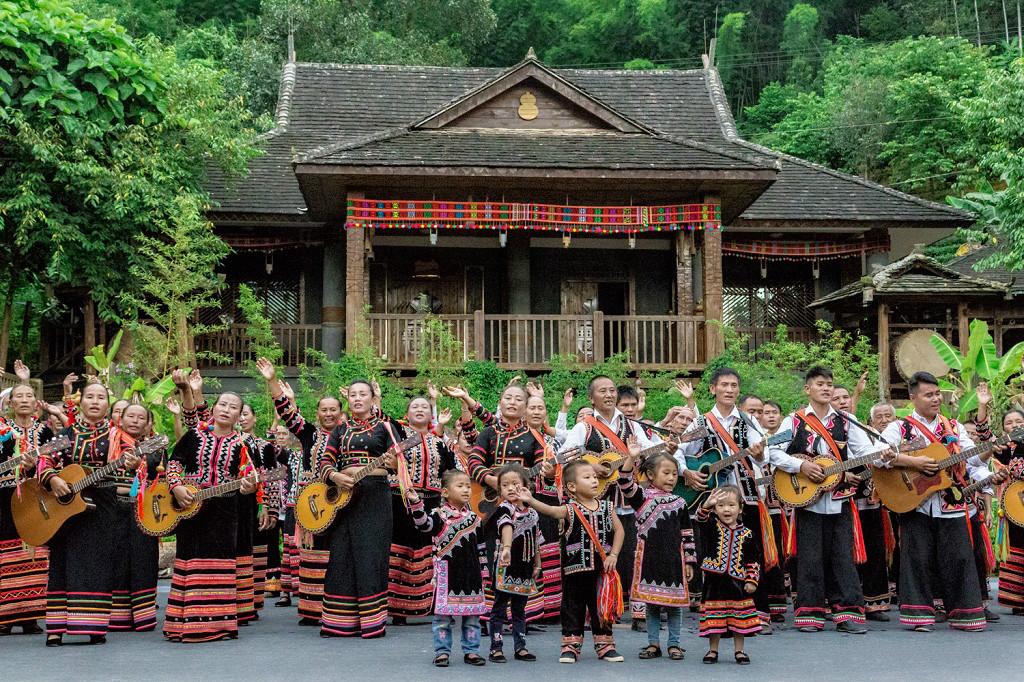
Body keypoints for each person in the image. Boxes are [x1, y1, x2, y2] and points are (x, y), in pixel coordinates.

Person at [766, 366, 893, 634]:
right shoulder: (793, 421)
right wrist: (800, 467)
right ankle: (810, 614)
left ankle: (846, 614)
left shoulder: (847, 421)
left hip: (840, 499)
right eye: (820, 384)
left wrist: (885, 454)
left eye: (829, 384)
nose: (826, 388)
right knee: (810, 557)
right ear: (807, 389)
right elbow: (772, 451)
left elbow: (865, 450)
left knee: (842, 557)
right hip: (807, 499)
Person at [880, 371, 989, 632]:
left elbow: (974, 459)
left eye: (937, 393)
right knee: (916, 558)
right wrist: (913, 462)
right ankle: (919, 617)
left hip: (951, 502)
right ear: (913, 397)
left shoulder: (953, 426)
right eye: (929, 394)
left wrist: (988, 444)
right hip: (915, 501)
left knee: (960, 557)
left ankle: (964, 614)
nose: (935, 398)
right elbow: (878, 456)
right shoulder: (899, 427)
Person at [675, 368, 776, 631]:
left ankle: (755, 613)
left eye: (734, 385)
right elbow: (679, 451)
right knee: (715, 554)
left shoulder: (747, 421)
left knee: (751, 552)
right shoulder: (702, 423)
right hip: (713, 497)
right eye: (724, 385)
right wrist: (686, 472)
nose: (729, 390)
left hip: (745, 495)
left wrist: (759, 452)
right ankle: (717, 615)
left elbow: (761, 456)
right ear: (712, 389)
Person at [560, 377, 660, 632]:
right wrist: (591, 466)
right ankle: (594, 611)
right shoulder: (585, 426)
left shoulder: (631, 425)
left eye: (612, 390)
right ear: (592, 398)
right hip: (595, 504)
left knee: (631, 554)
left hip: (626, 499)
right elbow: (567, 456)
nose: (608, 394)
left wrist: (663, 448)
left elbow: (649, 450)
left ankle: (632, 611)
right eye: (602, 391)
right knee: (595, 557)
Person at [164, 389, 256, 643]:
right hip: (191, 506)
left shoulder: (244, 443)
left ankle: (219, 625)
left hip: (225, 510)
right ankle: (185, 623)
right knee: (190, 559)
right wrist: (176, 486)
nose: (226, 409)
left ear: (239, 415)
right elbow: (174, 462)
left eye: (233, 407)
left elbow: (250, 477)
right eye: (222, 404)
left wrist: (250, 485)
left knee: (222, 563)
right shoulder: (194, 435)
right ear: (213, 408)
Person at [256, 357, 341, 618]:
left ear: (340, 412)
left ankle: (337, 607)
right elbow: (287, 413)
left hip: (339, 501)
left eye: (333, 409)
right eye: (323, 410)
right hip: (310, 504)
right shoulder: (310, 434)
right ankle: (313, 609)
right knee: (311, 551)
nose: (328, 413)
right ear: (317, 414)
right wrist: (272, 381)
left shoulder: (348, 434)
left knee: (336, 552)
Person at [39, 381, 122, 646]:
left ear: (107, 404)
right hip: (66, 508)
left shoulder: (116, 435)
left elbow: (137, 461)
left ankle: (94, 625)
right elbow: (44, 460)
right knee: (62, 561)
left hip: (103, 504)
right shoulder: (66, 434)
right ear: (81, 402)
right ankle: (56, 627)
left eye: (101, 397)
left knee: (97, 562)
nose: (95, 402)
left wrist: (133, 460)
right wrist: (52, 479)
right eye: (90, 397)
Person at [517, 461, 625, 664]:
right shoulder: (569, 509)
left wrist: (614, 555)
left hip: (602, 569)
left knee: (601, 608)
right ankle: (570, 646)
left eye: (594, 476)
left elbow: (619, 530)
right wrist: (530, 500)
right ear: (572, 487)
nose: (594, 480)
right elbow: (550, 510)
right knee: (572, 606)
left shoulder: (607, 507)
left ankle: (605, 645)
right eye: (587, 477)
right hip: (574, 570)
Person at [318, 379, 403, 639]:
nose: (357, 399)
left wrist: (391, 463)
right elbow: (325, 460)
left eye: (362, 394)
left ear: (371, 398)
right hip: (344, 498)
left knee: (370, 555)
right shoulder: (340, 430)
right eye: (353, 394)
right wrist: (333, 476)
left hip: (375, 496)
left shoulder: (385, 427)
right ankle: (339, 622)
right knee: (342, 554)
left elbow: (402, 459)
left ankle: (371, 622)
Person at [618, 452, 696, 661]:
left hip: (674, 560)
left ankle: (674, 644)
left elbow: (687, 533)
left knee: (674, 606)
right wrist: (630, 457)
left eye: (674, 474)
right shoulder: (641, 498)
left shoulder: (680, 502)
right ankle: (653, 643)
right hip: (649, 560)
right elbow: (624, 482)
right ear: (651, 475)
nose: (672, 478)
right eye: (667, 473)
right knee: (651, 604)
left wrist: (689, 561)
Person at [406, 471, 488, 668]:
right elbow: (424, 525)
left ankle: (472, 651)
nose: (466, 489)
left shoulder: (475, 519)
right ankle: (442, 652)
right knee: (442, 620)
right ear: (445, 491)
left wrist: (484, 573)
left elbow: (482, 549)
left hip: (471, 576)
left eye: (468, 486)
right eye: (460, 486)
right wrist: (416, 503)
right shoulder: (439, 515)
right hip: (447, 576)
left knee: (472, 619)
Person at [388, 396, 458, 622]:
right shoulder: (397, 434)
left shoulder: (439, 442)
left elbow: (450, 472)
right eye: (415, 407)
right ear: (406, 414)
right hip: (401, 500)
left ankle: (431, 604)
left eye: (425, 407)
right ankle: (398, 609)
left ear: (431, 415)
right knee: (401, 550)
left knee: (431, 551)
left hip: (432, 502)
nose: (420, 410)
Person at [0, 379, 54, 635]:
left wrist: (37, 466)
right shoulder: (1, 428)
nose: (23, 399)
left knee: (34, 548)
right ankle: (4, 616)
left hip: (35, 496)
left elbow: (55, 459)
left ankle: (30, 615)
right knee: (6, 552)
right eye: (18, 396)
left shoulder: (45, 432)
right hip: (4, 497)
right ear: (9, 403)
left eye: (28, 396)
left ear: (36, 403)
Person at [109, 404, 161, 632]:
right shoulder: (107, 440)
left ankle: (143, 616)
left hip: (143, 510)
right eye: (130, 415)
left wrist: (140, 464)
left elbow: (161, 472)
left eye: (141, 417)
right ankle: (117, 616)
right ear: (120, 418)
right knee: (116, 558)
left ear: (148, 423)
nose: (135, 421)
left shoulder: (156, 446)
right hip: (113, 508)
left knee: (144, 559)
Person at [696, 486, 761, 665]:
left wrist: (751, 580)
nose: (726, 509)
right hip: (714, 582)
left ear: (740, 508)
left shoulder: (748, 534)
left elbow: (754, 558)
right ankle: (713, 650)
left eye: (731, 505)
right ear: (715, 510)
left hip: (738, 582)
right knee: (714, 617)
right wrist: (706, 505)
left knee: (739, 617)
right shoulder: (711, 527)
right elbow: (700, 519)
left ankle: (739, 650)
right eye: (721, 505)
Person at [488, 464, 542, 663]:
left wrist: (538, 564)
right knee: (499, 609)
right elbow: (506, 527)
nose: (510, 488)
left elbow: (536, 540)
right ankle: (496, 647)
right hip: (506, 565)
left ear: (525, 486)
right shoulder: (504, 508)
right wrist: (507, 548)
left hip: (525, 567)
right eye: (505, 485)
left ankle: (520, 647)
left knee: (520, 609)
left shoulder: (533, 513)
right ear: (500, 490)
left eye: (515, 484)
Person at [237, 403, 287, 617]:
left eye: (245, 414)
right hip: (228, 501)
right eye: (238, 415)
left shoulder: (263, 446)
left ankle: (252, 602)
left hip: (254, 503)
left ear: (254, 418)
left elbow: (272, 478)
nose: (241, 419)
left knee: (256, 550)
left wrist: (269, 507)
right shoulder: (228, 442)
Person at [994, 408, 1024, 612]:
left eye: (1019, 421)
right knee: (1016, 547)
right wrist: (982, 407)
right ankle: (1016, 600)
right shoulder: (1002, 449)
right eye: (1009, 423)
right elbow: (985, 437)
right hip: (1013, 506)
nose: (1015, 425)